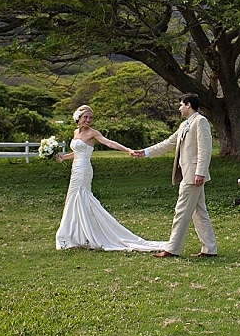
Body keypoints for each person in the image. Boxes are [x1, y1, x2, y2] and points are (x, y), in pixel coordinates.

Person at [54, 105, 167, 252]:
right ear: (78, 118)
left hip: (83, 170)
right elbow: (77, 152)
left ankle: (88, 233)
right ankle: (76, 233)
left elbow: (109, 143)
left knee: (82, 196)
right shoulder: (76, 132)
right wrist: (63, 157)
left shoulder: (92, 133)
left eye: (90, 117)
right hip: (75, 169)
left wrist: (127, 150)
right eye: (85, 117)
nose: (88, 120)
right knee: (73, 198)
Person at [132, 93, 218, 258]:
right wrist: (145, 152)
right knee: (199, 212)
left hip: (193, 175)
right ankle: (210, 249)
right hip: (187, 174)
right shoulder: (184, 125)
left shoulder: (200, 121)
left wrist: (200, 172)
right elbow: (167, 144)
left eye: (180, 105)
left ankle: (172, 249)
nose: (179, 108)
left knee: (182, 210)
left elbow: (205, 150)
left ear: (188, 105)